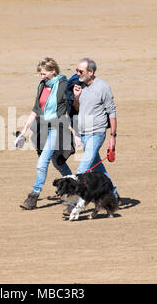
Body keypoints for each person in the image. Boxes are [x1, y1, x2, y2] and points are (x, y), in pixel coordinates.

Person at [16, 58, 74, 210]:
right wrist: (24, 130)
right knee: (57, 161)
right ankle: (74, 186)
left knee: (42, 162)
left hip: (57, 127)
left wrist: (77, 132)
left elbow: (72, 106)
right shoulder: (42, 85)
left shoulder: (63, 85)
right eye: (40, 74)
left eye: (44, 73)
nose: (42, 77)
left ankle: (33, 196)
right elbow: (36, 108)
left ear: (53, 71)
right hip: (43, 128)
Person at [67, 58, 120, 214]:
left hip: (96, 133)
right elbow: (77, 108)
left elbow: (112, 112)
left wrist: (113, 136)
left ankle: (75, 205)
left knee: (82, 169)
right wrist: (76, 97)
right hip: (83, 134)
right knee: (99, 170)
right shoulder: (80, 86)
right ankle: (114, 196)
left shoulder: (103, 87)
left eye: (80, 71)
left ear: (91, 72)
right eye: (76, 71)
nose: (77, 74)